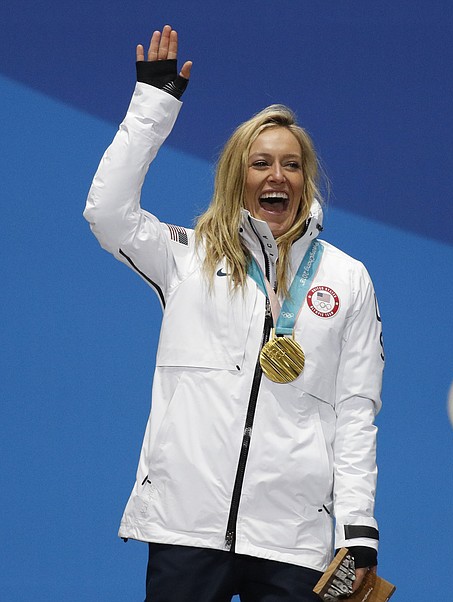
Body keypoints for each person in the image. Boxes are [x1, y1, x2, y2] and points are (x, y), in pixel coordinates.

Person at [84, 25, 385, 601]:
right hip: (186, 526)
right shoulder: (187, 257)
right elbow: (107, 213)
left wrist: (358, 529)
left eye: (292, 165)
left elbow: (355, 413)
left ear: (306, 178)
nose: (278, 176)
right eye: (262, 163)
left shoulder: (347, 279)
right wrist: (153, 104)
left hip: (293, 539)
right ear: (237, 177)